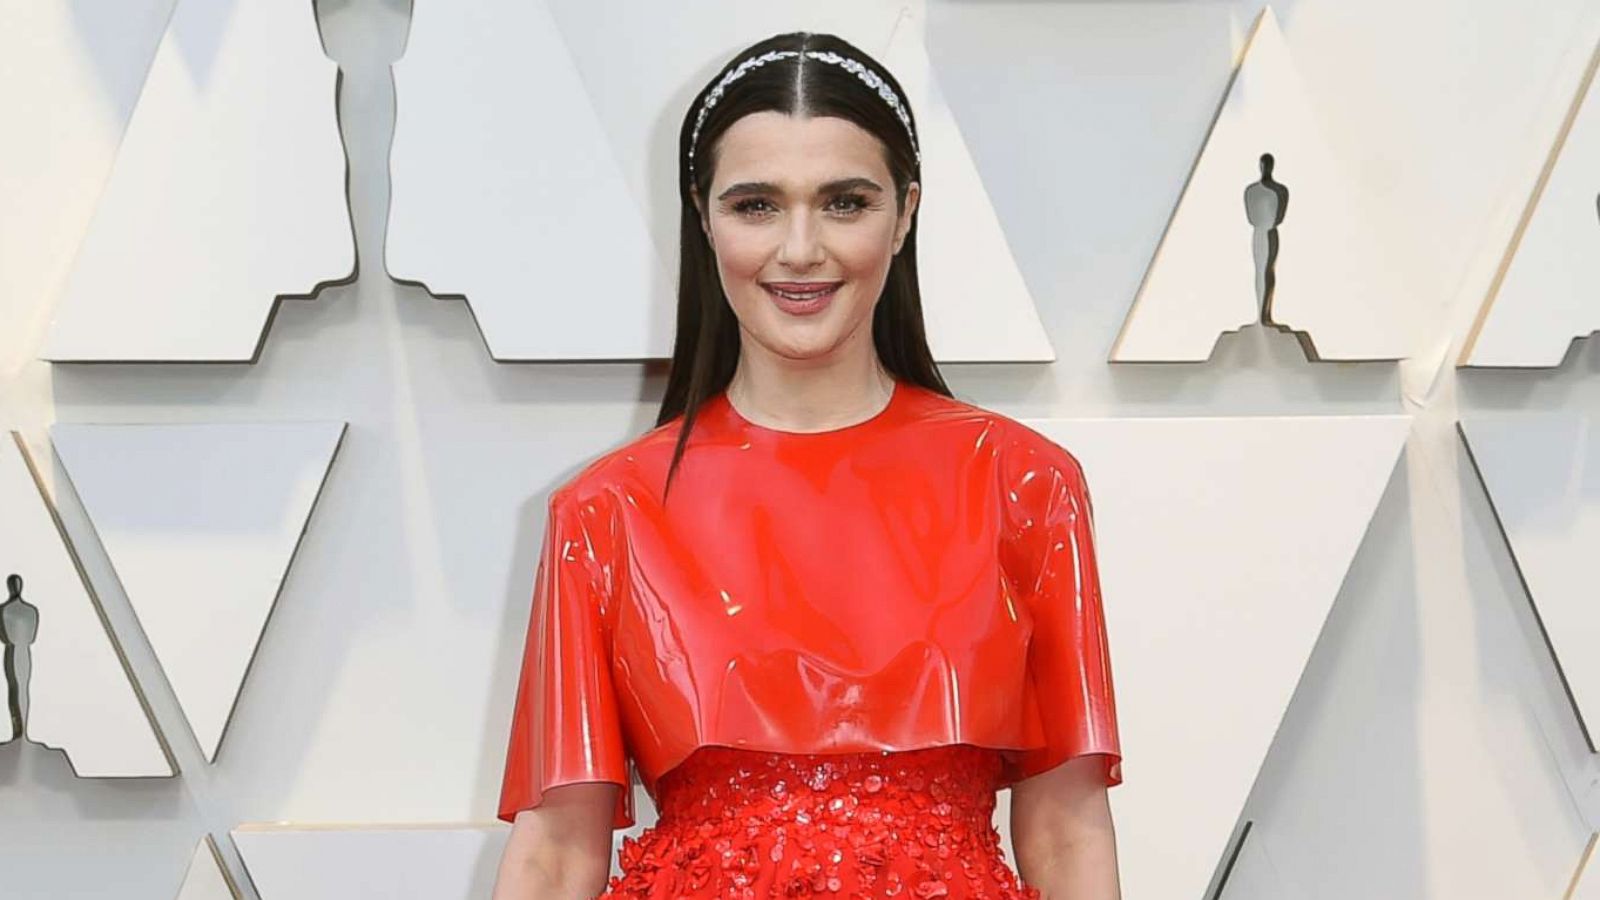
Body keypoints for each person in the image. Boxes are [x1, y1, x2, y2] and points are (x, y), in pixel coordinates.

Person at [491, 30, 1123, 899]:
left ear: (904, 213)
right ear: (702, 216)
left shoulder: (1024, 482)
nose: (799, 249)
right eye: (755, 204)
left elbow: (1067, 828)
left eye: (843, 202)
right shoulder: (606, 511)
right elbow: (559, 852)